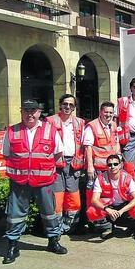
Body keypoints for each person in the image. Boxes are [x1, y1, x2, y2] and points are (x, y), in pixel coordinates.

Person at [1, 99, 67, 264]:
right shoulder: (11, 131)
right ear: (21, 111)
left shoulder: (50, 130)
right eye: (26, 110)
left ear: (39, 112)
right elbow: (6, 154)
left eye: (33, 111)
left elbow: (58, 153)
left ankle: (53, 241)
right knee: (15, 215)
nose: (30, 114)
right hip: (19, 182)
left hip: (43, 181)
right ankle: (12, 246)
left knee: (49, 213)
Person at [46, 94, 85, 234]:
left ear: (74, 107)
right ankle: (56, 227)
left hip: (74, 163)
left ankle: (71, 226)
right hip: (56, 163)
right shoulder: (50, 121)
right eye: (65, 104)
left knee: (73, 196)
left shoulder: (80, 122)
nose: (68, 107)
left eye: (71, 105)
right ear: (60, 105)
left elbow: (84, 144)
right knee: (57, 195)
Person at [86, 155, 135, 240]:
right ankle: (107, 227)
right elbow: (94, 200)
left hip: (124, 207)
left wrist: (122, 211)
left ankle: (133, 227)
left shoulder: (127, 177)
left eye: (115, 164)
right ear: (107, 166)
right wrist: (107, 209)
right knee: (92, 211)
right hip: (109, 207)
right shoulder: (100, 178)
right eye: (110, 165)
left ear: (120, 165)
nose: (112, 167)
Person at [83, 101, 120, 180]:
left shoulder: (113, 125)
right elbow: (87, 148)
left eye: (111, 112)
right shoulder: (92, 126)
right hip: (97, 169)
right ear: (100, 112)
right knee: (94, 190)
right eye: (106, 112)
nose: (108, 115)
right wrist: (90, 167)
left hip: (110, 167)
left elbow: (116, 143)